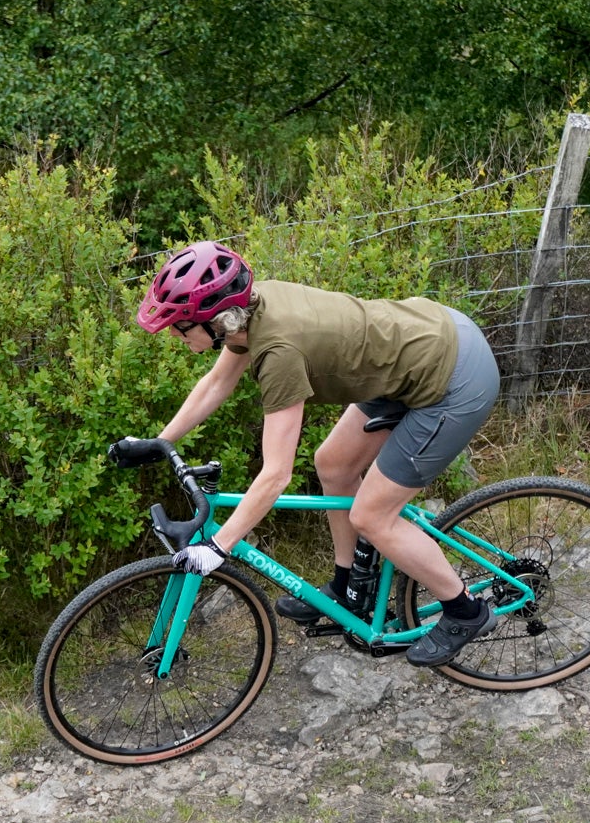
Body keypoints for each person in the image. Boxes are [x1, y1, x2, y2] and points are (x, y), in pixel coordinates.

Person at [121, 240, 501, 668]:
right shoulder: (249, 311)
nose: (175, 334)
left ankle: (466, 610)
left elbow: (276, 475)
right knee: (333, 464)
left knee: (372, 516)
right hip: (413, 352)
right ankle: (348, 588)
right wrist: (159, 440)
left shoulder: (279, 351)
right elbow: (216, 384)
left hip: (453, 378)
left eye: (181, 325)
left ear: (216, 320)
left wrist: (219, 545)